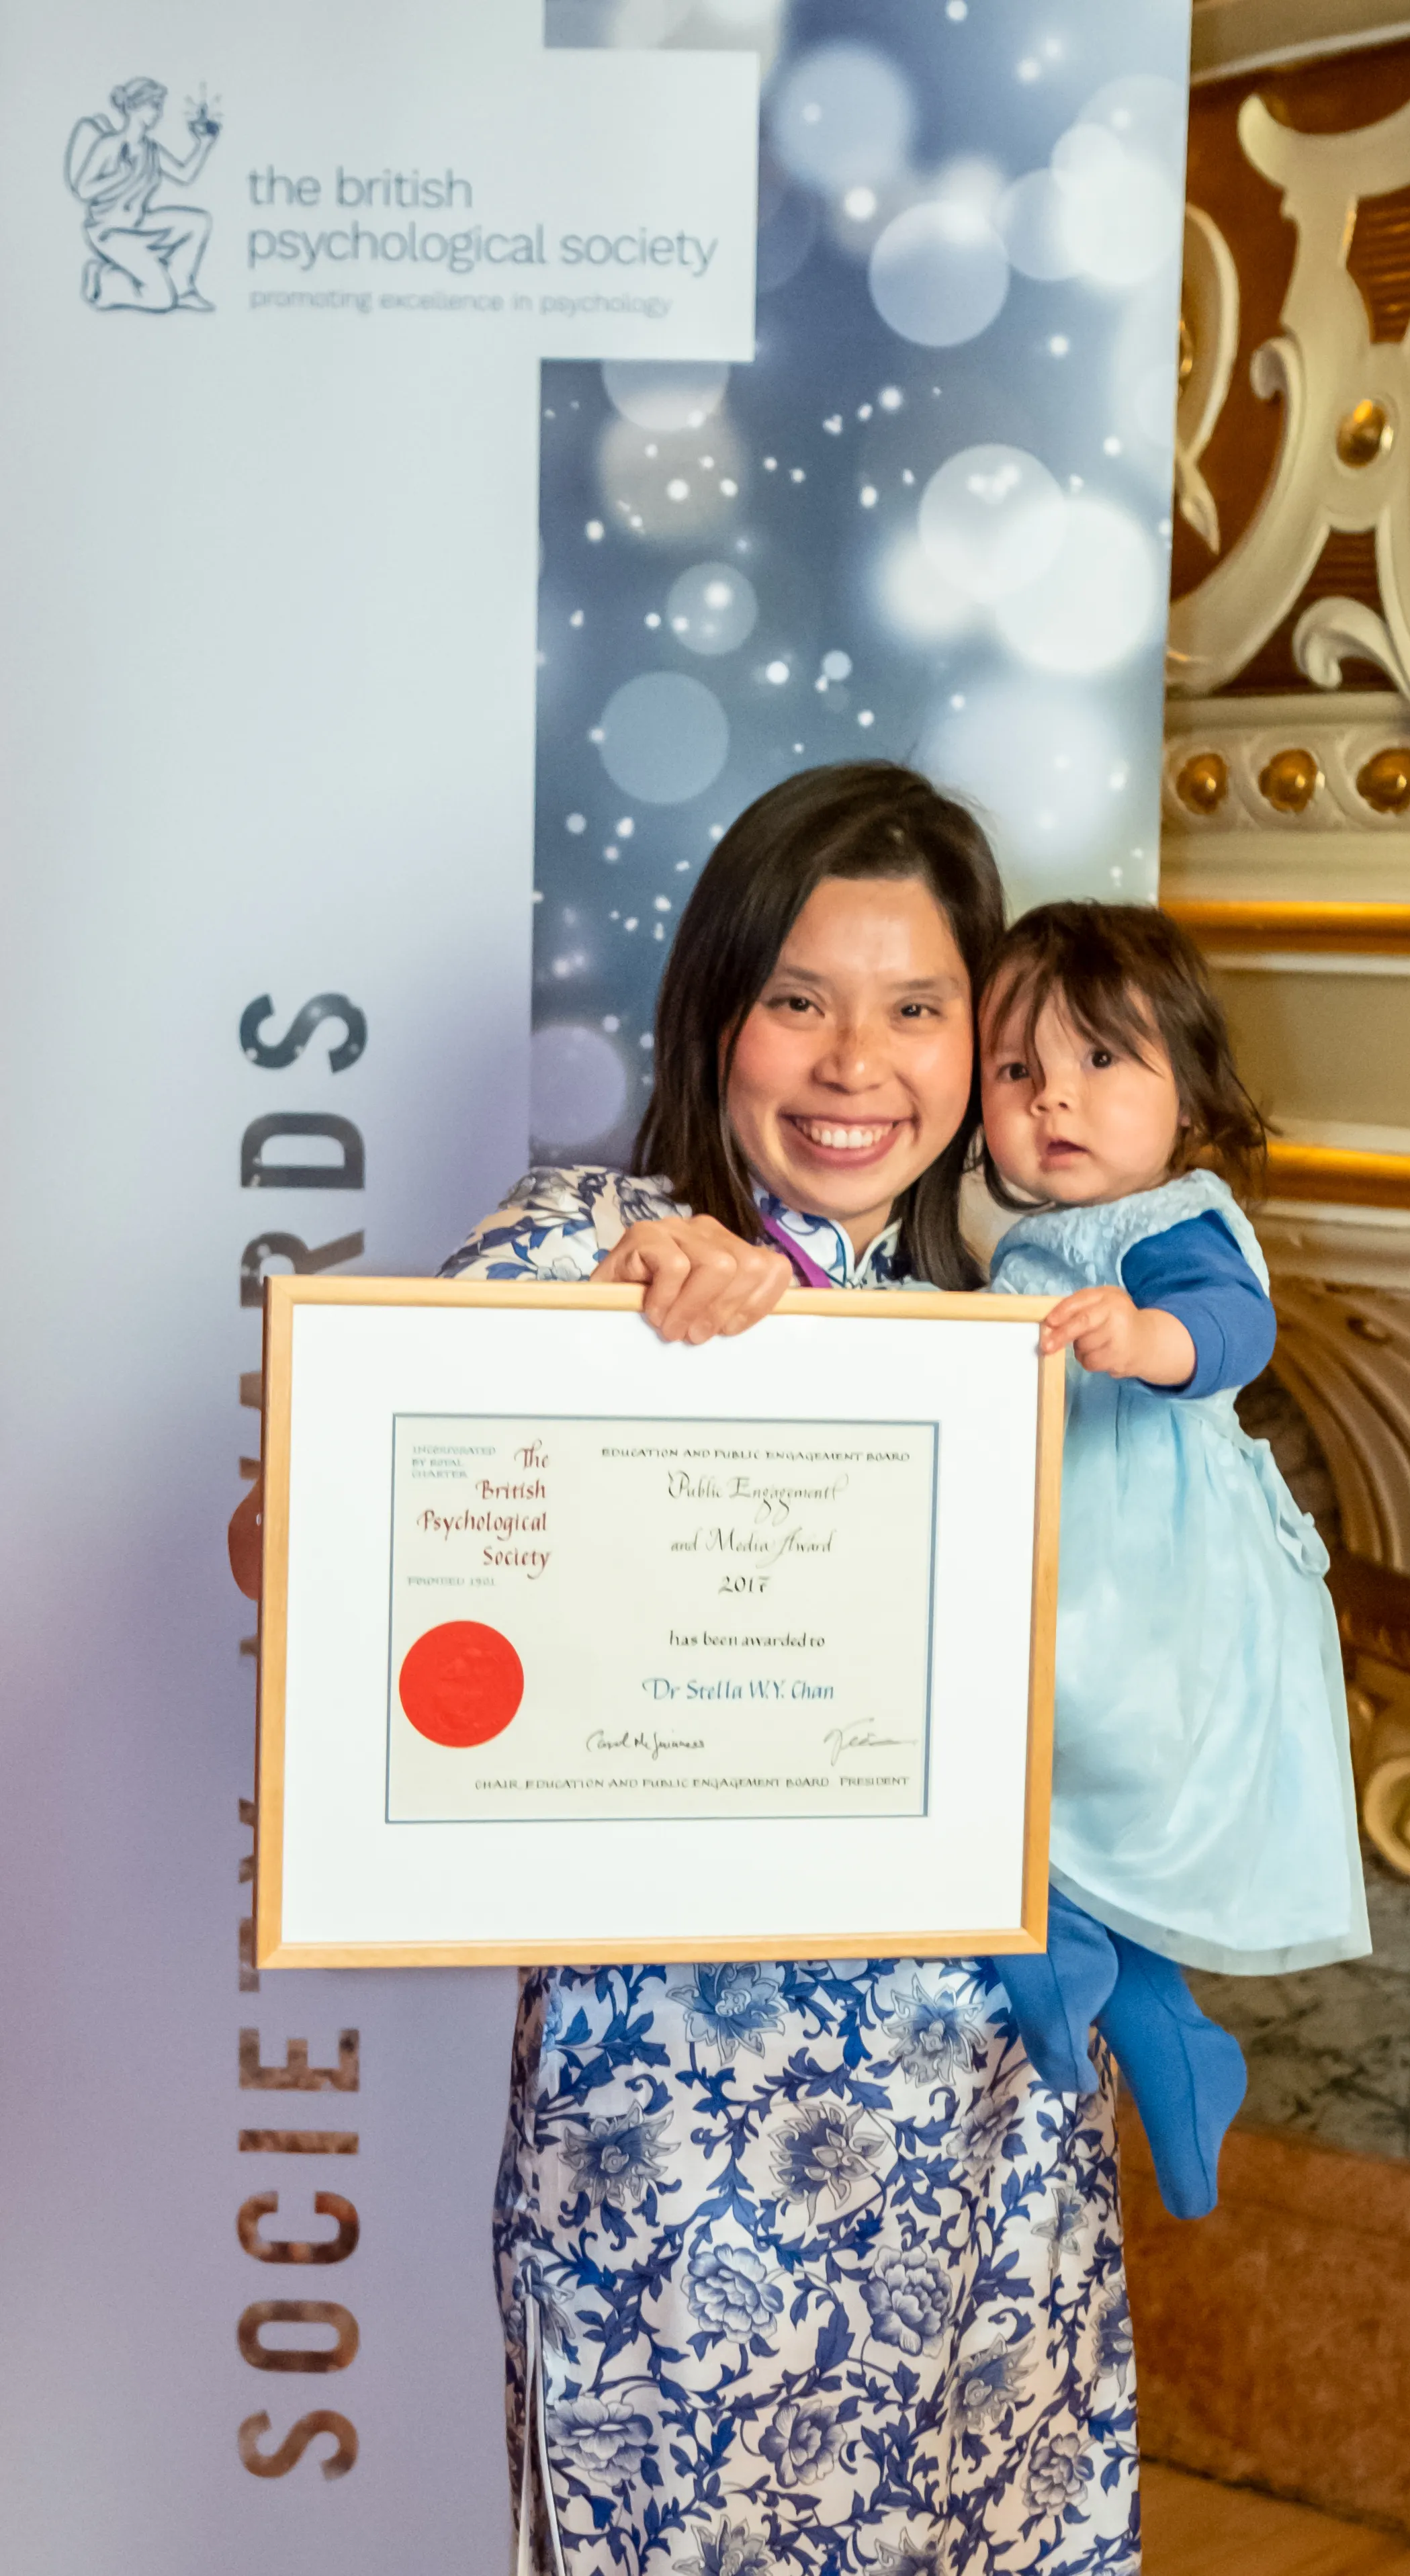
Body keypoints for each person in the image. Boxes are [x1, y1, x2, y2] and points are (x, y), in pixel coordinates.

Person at [238, 766, 1139, 2575]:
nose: (855, 1062)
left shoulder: (1006, 1329)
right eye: (799, 998)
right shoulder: (592, 1241)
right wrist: (596, 1340)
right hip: (672, 2152)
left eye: (915, 1008)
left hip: (989, 2115)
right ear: (716, 1014)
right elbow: (286, 1543)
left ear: (976, 1044)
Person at [978, 902, 1370, 2220]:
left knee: (1061, 1775)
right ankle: (1167, 2038)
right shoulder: (1021, 1243)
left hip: (1153, 1575)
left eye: (1099, 1060)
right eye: (1017, 1070)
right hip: (1066, 1552)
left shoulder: (1168, 1224)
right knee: (1053, 1802)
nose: (1053, 1098)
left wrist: (1150, 1341)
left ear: (1189, 1093)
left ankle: (1073, 1971)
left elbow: (1233, 1323)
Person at [66, 79, 218, 314]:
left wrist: (205, 145)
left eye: (159, 107)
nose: (159, 114)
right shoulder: (110, 145)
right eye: (154, 106)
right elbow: (82, 190)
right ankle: (103, 283)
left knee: (198, 223)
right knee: (162, 300)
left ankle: (183, 289)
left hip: (138, 224)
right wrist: (119, 177)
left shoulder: (151, 149)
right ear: (134, 107)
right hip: (109, 231)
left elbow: (184, 175)